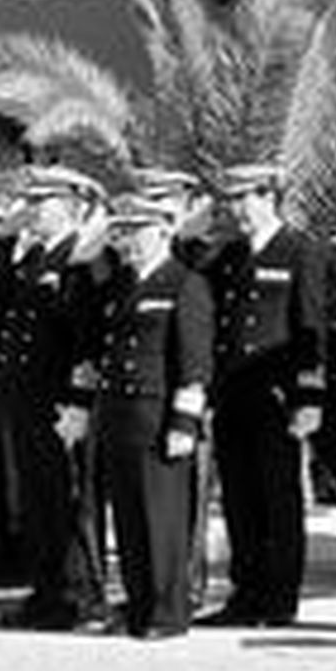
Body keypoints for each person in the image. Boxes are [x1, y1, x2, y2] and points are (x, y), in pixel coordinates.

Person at [77, 172, 214, 639]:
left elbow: (194, 363)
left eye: (136, 232)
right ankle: (138, 606)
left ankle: (168, 611)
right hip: (118, 415)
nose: (127, 241)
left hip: (158, 417)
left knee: (162, 519)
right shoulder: (119, 286)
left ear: (163, 230)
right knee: (129, 520)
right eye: (122, 232)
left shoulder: (184, 284)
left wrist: (183, 422)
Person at [195, 162, 328, 629]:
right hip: (233, 393)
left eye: (245, 198)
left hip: (277, 395)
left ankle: (279, 598)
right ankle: (245, 592)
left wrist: (309, 398)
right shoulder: (228, 255)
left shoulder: (300, 250)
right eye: (232, 200)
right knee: (238, 497)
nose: (237, 209)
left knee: (278, 497)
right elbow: (193, 283)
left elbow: (311, 327)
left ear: (269, 196)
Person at [0, 166, 105, 629]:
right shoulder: (33, 259)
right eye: (33, 202)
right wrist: (4, 237)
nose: (35, 211)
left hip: (59, 401)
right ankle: (45, 592)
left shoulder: (80, 259)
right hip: (25, 397)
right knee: (38, 499)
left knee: (67, 498)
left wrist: (79, 402)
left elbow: (87, 339)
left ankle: (75, 592)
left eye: (44, 202)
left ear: (71, 206)